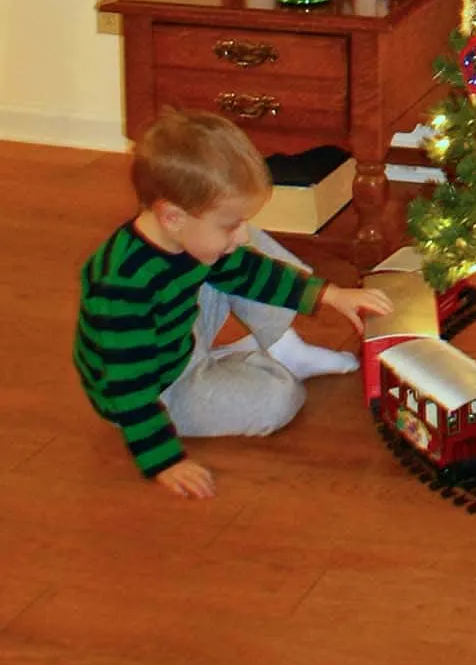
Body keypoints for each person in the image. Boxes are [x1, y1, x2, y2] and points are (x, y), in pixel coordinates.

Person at [75, 107, 390, 499]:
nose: (241, 234)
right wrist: (164, 461)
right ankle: (259, 362)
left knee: (238, 255)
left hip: (179, 335)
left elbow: (247, 270)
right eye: (230, 224)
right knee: (279, 400)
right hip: (158, 390)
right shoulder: (122, 288)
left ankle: (283, 348)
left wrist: (330, 294)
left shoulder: (186, 234)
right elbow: (128, 387)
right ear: (172, 217)